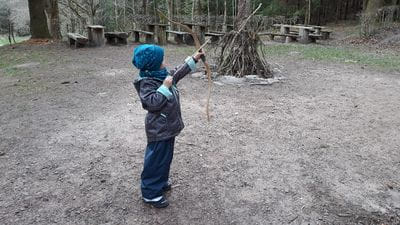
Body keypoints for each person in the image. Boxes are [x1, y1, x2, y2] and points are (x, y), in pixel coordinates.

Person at [132, 44, 204, 208]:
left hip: (167, 128)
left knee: (164, 159)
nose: (164, 60)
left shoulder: (160, 74)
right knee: (155, 161)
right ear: (153, 64)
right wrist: (164, 87)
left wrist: (193, 59)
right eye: (161, 58)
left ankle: (160, 181)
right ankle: (150, 193)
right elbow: (150, 103)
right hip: (158, 130)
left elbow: (176, 74)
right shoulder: (147, 82)